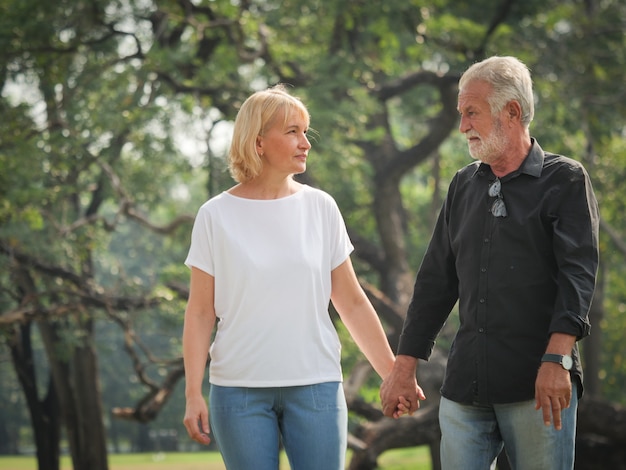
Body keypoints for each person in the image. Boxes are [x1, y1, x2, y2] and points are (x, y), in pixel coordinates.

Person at [380, 56, 599, 470]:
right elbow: (434, 282)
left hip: (540, 386)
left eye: (471, 113)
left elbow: (579, 277)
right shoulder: (463, 184)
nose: (462, 126)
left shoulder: (565, 180)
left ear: (511, 111)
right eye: (461, 114)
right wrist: (403, 366)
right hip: (466, 390)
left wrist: (558, 361)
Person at [182, 84, 412, 470]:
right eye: (292, 132)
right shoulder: (215, 215)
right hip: (238, 392)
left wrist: (393, 375)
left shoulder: (321, 207)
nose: (305, 142)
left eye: (306, 132)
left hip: (316, 386)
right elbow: (200, 312)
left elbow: (352, 302)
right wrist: (192, 392)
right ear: (258, 142)